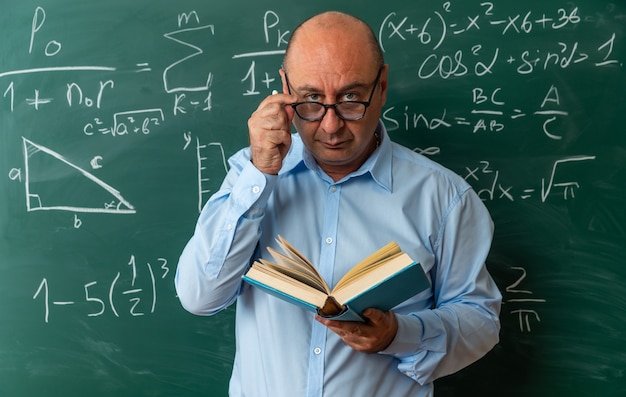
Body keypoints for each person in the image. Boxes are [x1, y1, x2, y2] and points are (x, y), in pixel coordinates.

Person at [175, 11, 501, 397]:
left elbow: (481, 321)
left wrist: (400, 334)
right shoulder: (251, 179)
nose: (330, 126)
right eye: (311, 100)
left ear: (380, 88)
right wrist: (259, 176)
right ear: (285, 89)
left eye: (350, 98)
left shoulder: (444, 198)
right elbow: (200, 296)